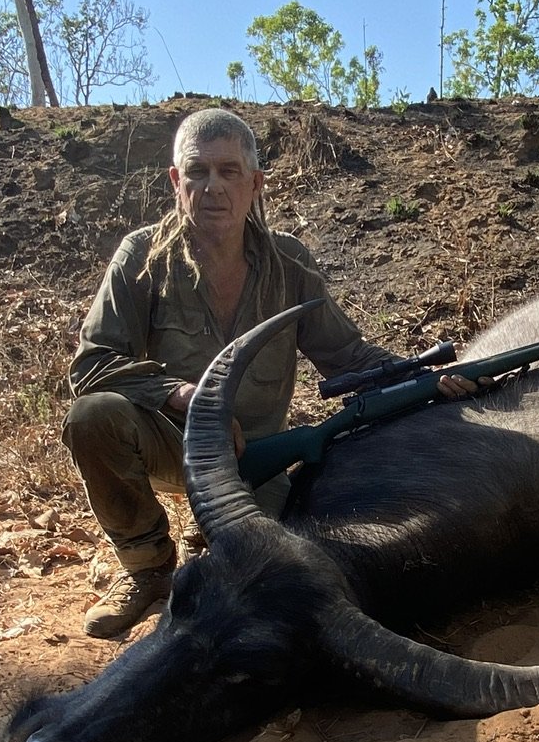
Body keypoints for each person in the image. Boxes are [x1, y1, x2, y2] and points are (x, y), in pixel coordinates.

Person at [63, 108, 475, 638]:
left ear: (255, 184)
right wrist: (180, 395)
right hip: (173, 443)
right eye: (198, 171)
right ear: (175, 180)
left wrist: (426, 381)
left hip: (256, 460)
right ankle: (148, 570)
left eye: (229, 172)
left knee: (259, 581)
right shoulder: (142, 257)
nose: (213, 187)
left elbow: (349, 359)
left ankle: (209, 539)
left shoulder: (289, 263)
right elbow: (93, 363)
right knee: (93, 416)